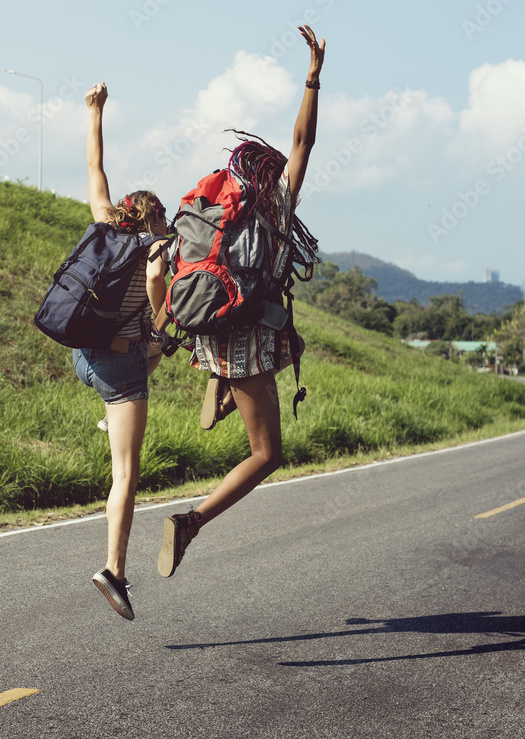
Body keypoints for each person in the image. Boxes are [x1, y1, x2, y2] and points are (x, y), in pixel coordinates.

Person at [157, 25, 326, 578]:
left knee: (274, 338)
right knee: (266, 454)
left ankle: (218, 386)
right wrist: (313, 77)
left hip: (206, 327)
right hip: (242, 336)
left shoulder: (219, 212)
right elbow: (304, 142)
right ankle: (192, 522)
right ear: (271, 175)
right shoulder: (276, 204)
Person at [77, 81, 170, 620]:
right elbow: (157, 277)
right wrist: (159, 313)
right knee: (126, 475)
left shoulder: (105, 226)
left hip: (82, 356)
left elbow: (95, 170)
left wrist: (95, 113)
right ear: (153, 219)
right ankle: (114, 568)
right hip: (118, 368)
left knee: (153, 347)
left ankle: (109, 415)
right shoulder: (151, 248)